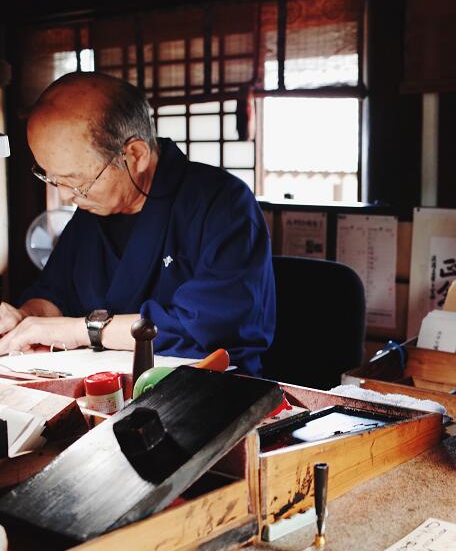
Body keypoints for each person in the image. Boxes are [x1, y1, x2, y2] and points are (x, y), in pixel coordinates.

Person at [0, 72, 276, 375]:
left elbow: (204, 326)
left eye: (76, 181)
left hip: (207, 386)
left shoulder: (223, 203)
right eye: (52, 178)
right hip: (101, 382)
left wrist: (80, 331)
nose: (66, 196)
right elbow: (55, 291)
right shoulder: (93, 207)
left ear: (135, 154)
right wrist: (26, 319)